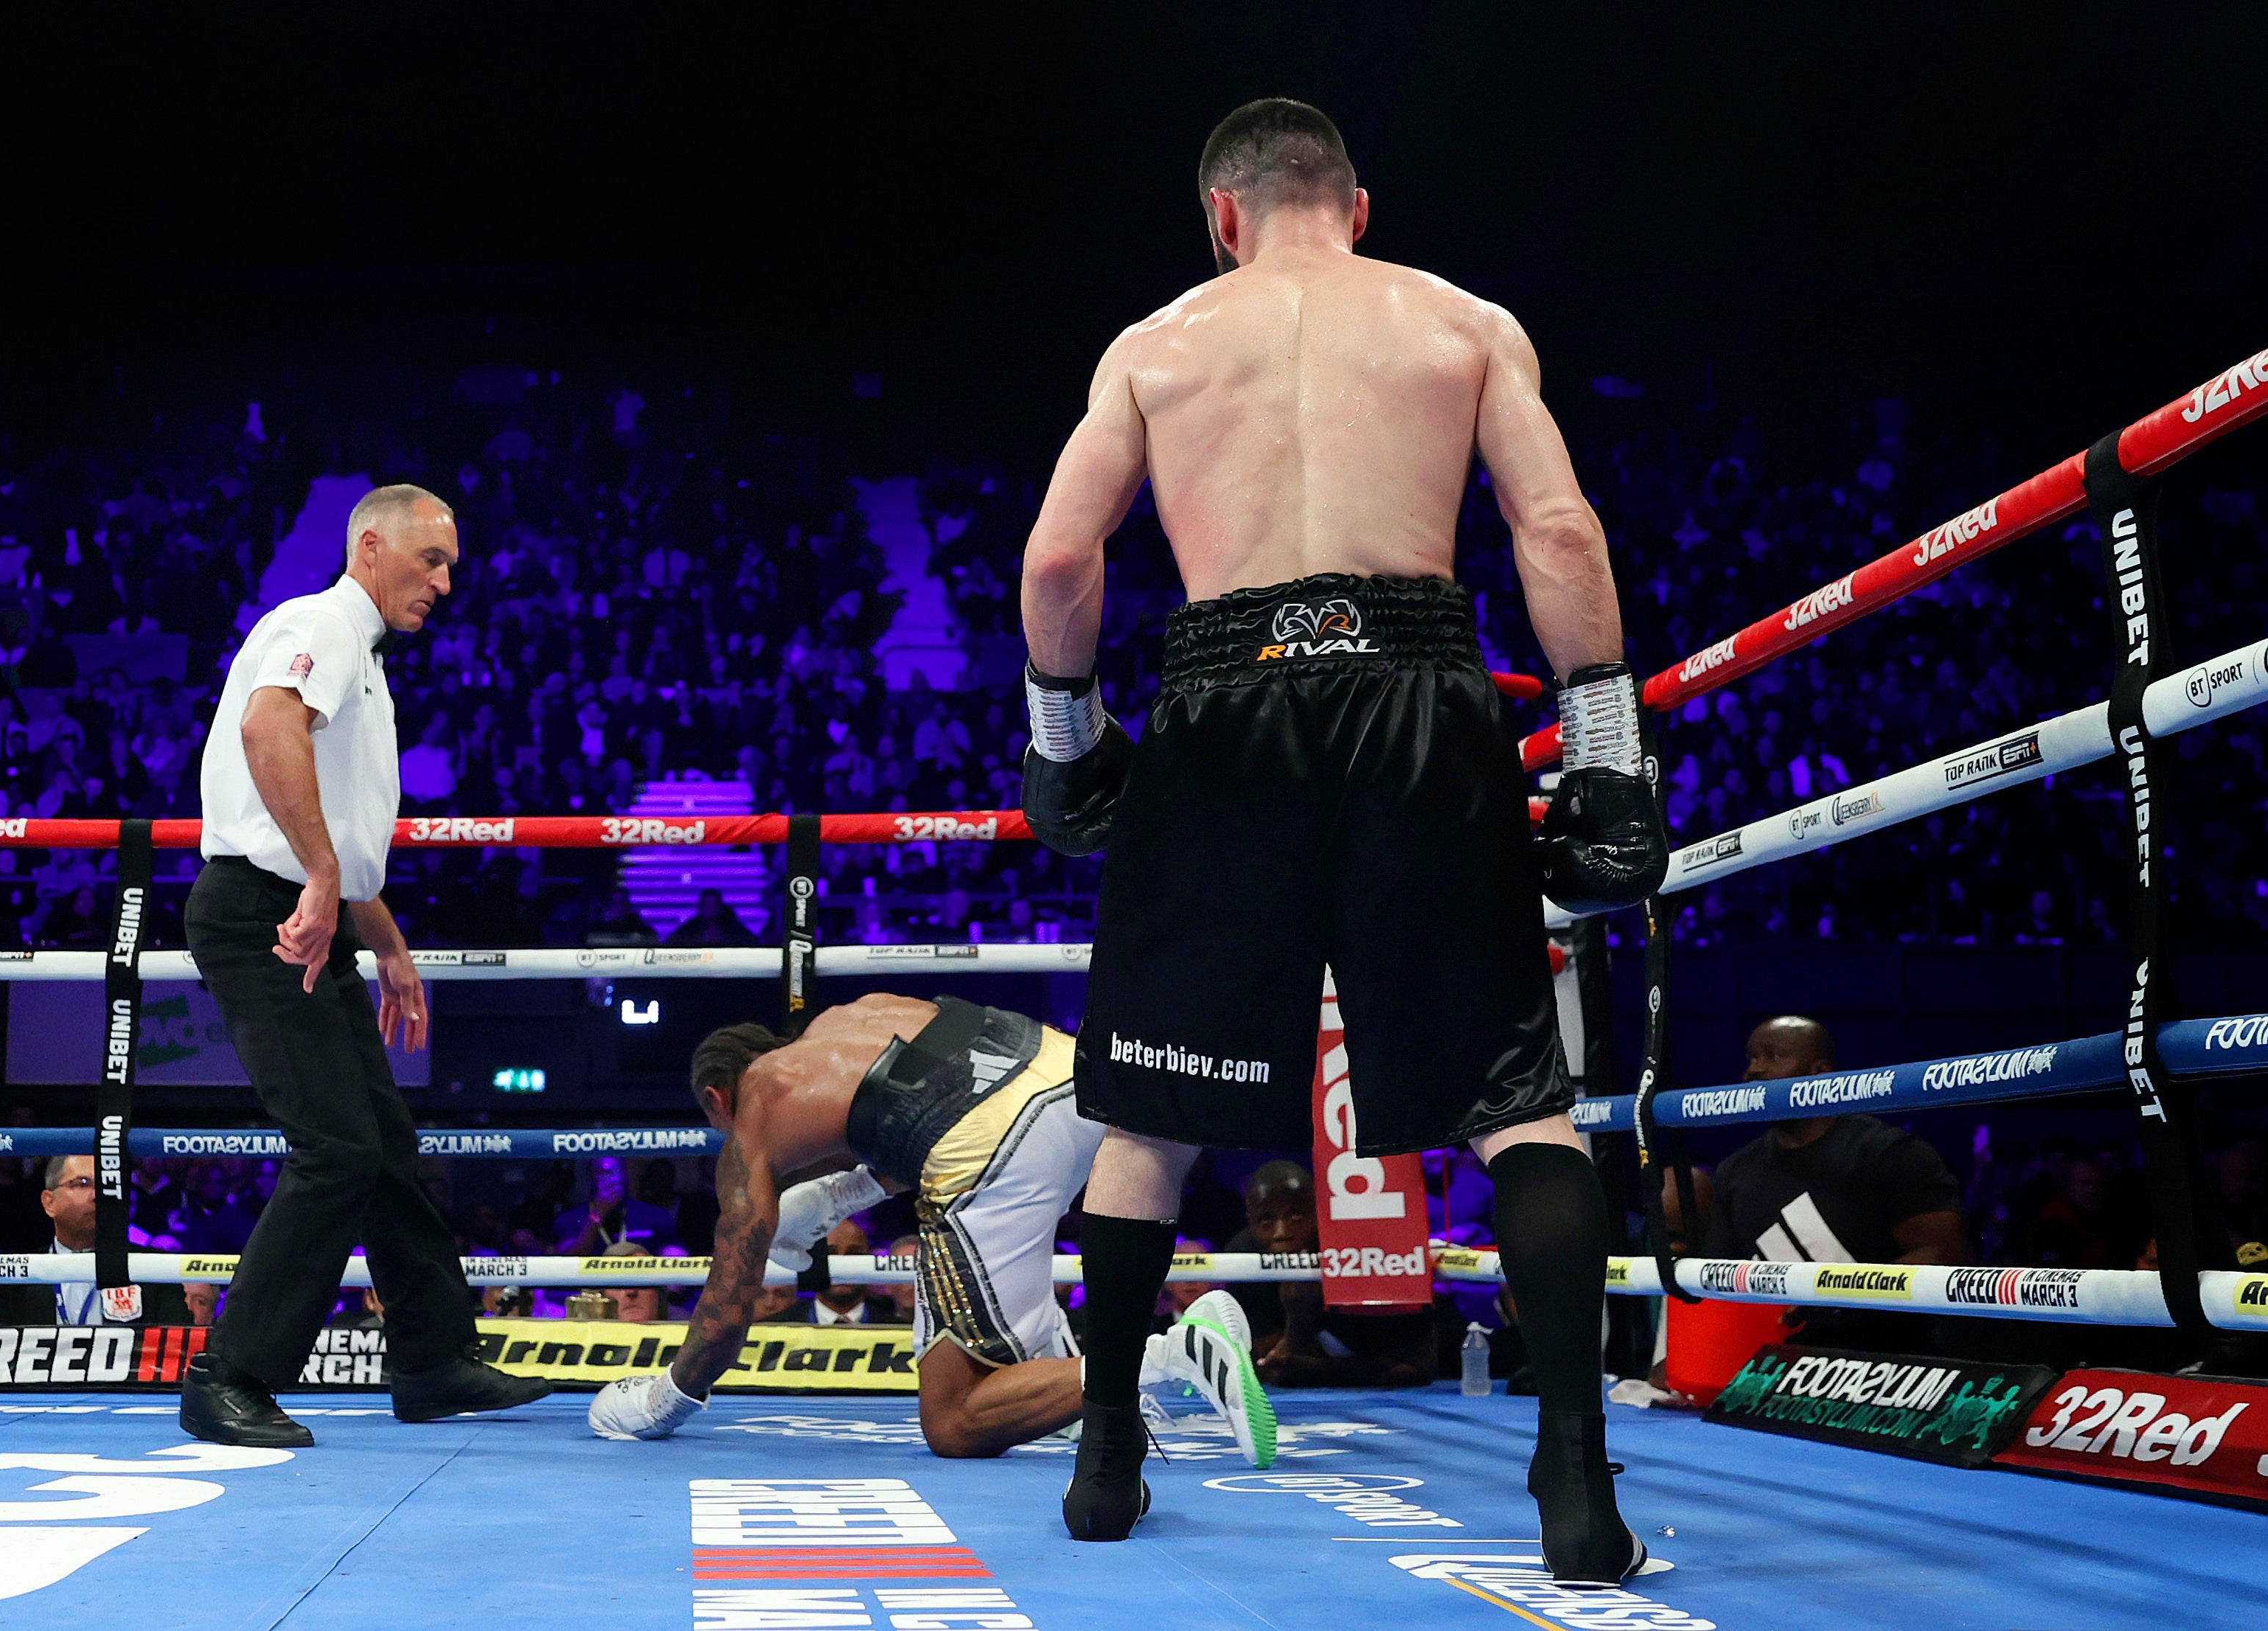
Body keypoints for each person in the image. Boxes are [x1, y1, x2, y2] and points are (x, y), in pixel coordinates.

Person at [1016, 99, 1659, 1581]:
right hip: (1423, 695)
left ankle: (1108, 1448)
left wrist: (1066, 743)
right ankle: (1574, 1471)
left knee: (1153, 1117)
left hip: (1225, 706)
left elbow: (1060, 558)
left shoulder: (1157, 344)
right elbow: (1558, 533)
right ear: (1356, 206)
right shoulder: (1462, 323)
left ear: (1221, 218)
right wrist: (1609, 763)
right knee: (1518, 1098)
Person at [180, 482, 546, 1448]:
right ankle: (229, 1376)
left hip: (304, 909)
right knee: (336, 1149)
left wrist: (381, 938)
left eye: (452, 567)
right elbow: (269, 731)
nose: (443, 583)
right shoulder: (323, 624)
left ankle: (431, 1359)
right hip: (266, 916)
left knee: (382, 1142)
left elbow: (330, 827)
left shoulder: (363, 657)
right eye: (430, 561)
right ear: (372, 546)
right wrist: (320, 879)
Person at [589, 998, 1274, 1467]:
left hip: (993, 1140)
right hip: (1076, 1078)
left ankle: (1173, 1360)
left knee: (952, 1420)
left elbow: (731, 1294)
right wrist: (835, 1196)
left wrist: (667, 1398)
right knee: (991, 1285)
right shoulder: (846, 1023)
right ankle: (1062, 1387)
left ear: (716, 1098)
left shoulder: (757, 1110)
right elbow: (934, 1105)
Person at [1708, 1017, 1968, 1351]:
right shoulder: (1735, 1171)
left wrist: (1836, 1292)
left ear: (1821, 1073)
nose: (1753, 1071)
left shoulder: (1886, 1153)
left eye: (1773, 1057)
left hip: (1887, 1365)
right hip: (1772, 1370)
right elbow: (1717, 1280)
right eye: (1752, 1059)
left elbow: (1944, 1253)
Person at [1223, 1164, 1433, 1388]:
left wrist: (1308, 1363)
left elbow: (1413, 1369)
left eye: (1296, 1215)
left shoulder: (1360, 1248)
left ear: (1319, 1211)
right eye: (1266, 1219)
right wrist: (1298, 1317)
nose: (1281, 1233)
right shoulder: (1242, 1256)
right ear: (1250, 1218)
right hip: (1352, 1372)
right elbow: (1272, 1365)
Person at [0, 1156, 191, 1326]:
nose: (98, 1195)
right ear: (50, 1202)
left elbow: (176, 1353)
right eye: (82, 1184)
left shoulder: (154, 1270)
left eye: (106, 1186)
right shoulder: (14, 1279)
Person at [762, 1219, 905, 1326]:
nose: (841, 1264)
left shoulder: (900, 1330)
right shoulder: (771, 1330)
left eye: (853, 1254)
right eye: (830, 1254)